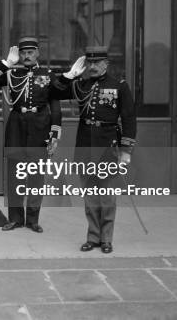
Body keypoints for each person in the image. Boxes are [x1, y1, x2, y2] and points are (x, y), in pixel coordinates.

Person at [58, 46, 137, 254]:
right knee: (90, 195)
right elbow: (55, 91)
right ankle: (93, 236)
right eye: (89, 63)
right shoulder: (81, 85)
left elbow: (129, 118)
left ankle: (106, 238)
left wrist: (126, 150)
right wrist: (69, 75)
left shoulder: (119, 86)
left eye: (96, 63)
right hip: (85, 143)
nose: (92, 67)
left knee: (107, 195)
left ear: (106, 64)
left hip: (107, 144)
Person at [0, 37, 63, 233]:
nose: (26, 56)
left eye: (30, 52)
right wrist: (5, 63)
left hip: (40, 127)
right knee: (15, 175)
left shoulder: (48, 75)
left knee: (36, 176)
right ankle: (16, 218)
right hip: (17, 127)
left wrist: (54, 136)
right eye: (23, 53)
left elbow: (56, 107)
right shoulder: (12, 73)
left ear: (38, 54)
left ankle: (33, 220)